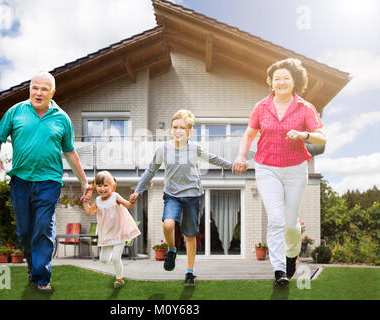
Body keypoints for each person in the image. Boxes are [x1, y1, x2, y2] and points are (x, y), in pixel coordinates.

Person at [0, 71, 89, 292]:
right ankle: (33, 265)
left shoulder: (62, 118)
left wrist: (84, 181)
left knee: (43, 227)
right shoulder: (16, 112)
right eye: (35, 87)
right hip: (20, 180)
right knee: (25, 231)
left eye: (44, 89)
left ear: (52, 92)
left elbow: (71, 153)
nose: (38, 92)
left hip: (49, 181)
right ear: (29, 89)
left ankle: (42, 277)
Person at [231, 58, 327, 287]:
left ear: (294, 82)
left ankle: (291, 255)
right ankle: (280, 270)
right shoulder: (261, 107)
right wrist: (241, 155)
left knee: (291, 224)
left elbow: (322, 137)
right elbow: (249, 134)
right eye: (277, 79)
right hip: (267, 168)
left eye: (286, 78)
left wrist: (303, 135)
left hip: (295, 168)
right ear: (271, 83)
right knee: (275, 220)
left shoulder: (305, 107)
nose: (281, 82)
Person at [129, 109, 234, 286]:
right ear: (171, 129)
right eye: (175, 127)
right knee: (168, 224)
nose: (178, 130)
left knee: (190, 235)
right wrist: (138, 191)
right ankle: (171, 249)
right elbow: (150, 171)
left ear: (190, 132)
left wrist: (232, 165)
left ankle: (190, 272)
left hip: (192, 196)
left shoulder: (195, 149)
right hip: (172, 195)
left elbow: (213, 158)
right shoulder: (163, 149)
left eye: (182, 128)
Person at [82, 171, 140, 289]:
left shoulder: (115, 196)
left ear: (112, 186)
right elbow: (89, 212)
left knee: (115, 258)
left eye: (105, 185)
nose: (102, 188)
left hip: (119, 232)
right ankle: (114, 265)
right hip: (106, 234)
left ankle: (119, 279)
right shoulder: (98, 200)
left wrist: (132, 201)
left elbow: (128, 205)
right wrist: (85, 202)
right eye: (99, 186)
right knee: (103, 260)